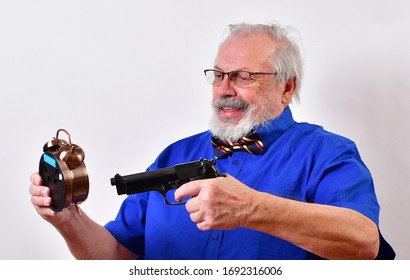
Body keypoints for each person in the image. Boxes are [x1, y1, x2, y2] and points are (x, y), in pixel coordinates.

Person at [29, 22, 394, 260]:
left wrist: (253, 209)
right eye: (218, 75)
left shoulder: (328, 153)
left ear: (286, 87)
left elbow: (364, 243)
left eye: (243, 76)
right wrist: (68, 221)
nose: (224, 90)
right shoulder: (174, 154)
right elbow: (117, 259)